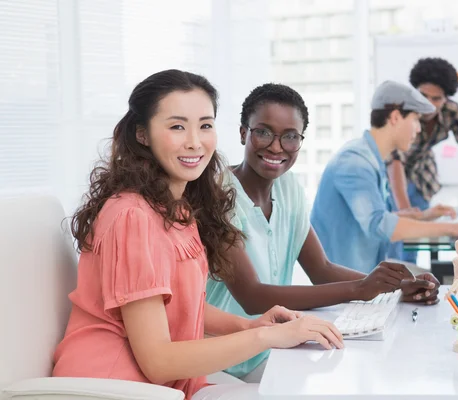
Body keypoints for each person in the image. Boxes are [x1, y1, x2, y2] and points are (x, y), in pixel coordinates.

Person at [51, 70, 343, 400]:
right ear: (142, 134)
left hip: (168, 386)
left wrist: (250, 326)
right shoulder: (132, 216)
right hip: (113, 387)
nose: (195, 141)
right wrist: (268, 339)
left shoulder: (178, 207)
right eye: (177, 126)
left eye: (205, 125)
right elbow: (158, 361)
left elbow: (182, 306)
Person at [206, 83, 439, 383]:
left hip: (274, 349)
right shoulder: (217, 197)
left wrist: (397, 286)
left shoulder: (288, 189)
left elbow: (321, 269)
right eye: (263, 132)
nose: (276, 147)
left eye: (290, 137)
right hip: (227, 362)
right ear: (243, 133)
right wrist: (361, 289)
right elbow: (253, 296)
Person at [310, 80, 458, 275]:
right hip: (346, 284)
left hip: (363, 274)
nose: (419, 129)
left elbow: (371, 219)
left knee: (428, 281)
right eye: (415, 119)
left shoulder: (371, 158)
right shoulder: (355, 162)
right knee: (429, 282)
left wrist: (422, 216)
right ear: (395, 117)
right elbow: (379, 225)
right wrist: (455, 229)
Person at [387, 57, 458, 214]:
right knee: (397, 228)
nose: (428, 104)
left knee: (422, 233)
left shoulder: (454, 113)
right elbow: (394, 160)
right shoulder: (401, 112)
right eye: (423, 96)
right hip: (390, 178)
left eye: (436, 98)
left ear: (446, 98)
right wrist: (406, 212)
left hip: (421, 177)